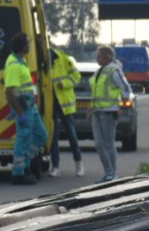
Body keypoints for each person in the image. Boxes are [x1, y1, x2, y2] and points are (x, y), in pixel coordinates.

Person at [4, 33, 46, 186]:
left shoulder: (21, 62)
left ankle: (26, 165)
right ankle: (18, 174)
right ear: (22, 47)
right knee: (22, 140)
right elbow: (9, 91)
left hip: (30, 106)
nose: (29, 46)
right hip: (24, 108)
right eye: (27, 44)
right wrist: (19, 113)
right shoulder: (14, 64)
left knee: (41, 135)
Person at [89, 44, 131, 184]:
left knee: (108, 143)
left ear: (107, 57)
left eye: (99, 56)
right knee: (99, 144)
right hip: (97, 111)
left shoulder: (114, 71)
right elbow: (97, 92)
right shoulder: (100, 71)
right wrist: (91, 106)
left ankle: (110, 174)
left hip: (108, 112)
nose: (97, 58)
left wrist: (122, 106)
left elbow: (125, 88)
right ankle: (109, 173)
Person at [46, 45, 84, 178]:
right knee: (53, 136)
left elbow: (76, 76)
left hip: (64, 103)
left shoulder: (63, 58)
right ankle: (55, 166)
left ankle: (79, 163)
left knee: (71, 134)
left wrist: (64, 83)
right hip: (50, 104)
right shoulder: (41, 60)